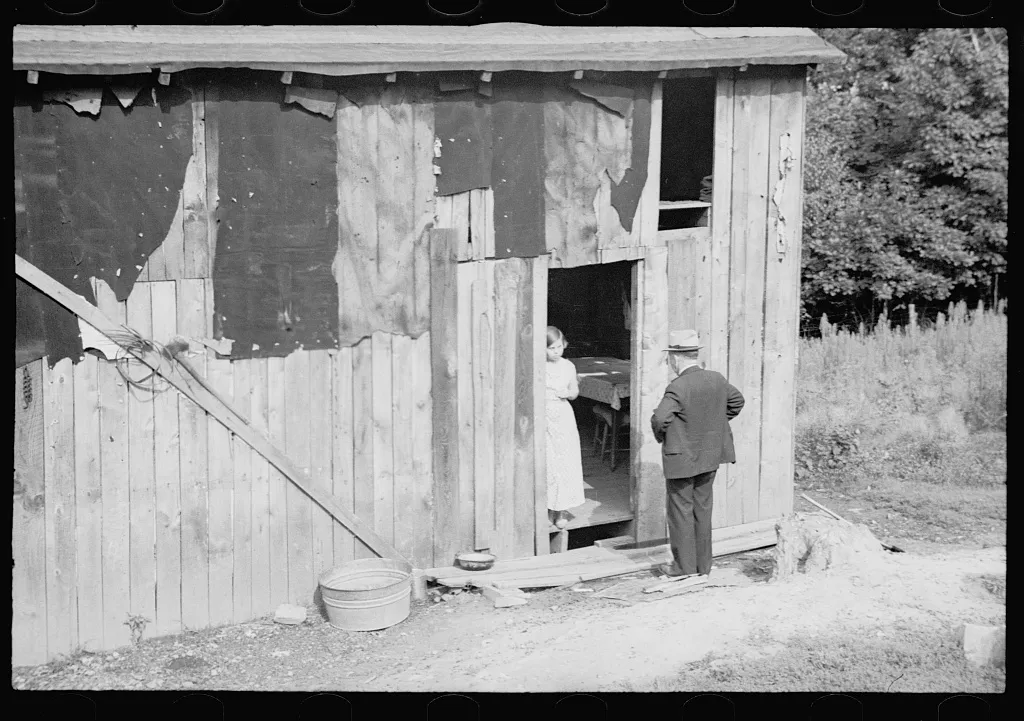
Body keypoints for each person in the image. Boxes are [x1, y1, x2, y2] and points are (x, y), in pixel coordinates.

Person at [651, 330, 745, 578]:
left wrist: (664, 435)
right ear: (694, 354)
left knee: (680, 511)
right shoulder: (716, 379)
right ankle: (703, 567)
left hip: (682, 459)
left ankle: (683, 568)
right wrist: (712, 425)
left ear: (676, 358)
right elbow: (737, 401)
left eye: (671, 357)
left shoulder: (677, 386)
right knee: (702, 510)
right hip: (710, 456)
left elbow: (660, 418)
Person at [545, 325, 586, 529]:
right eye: (551, 348)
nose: (556, 351)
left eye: (559, 347)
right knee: (547, 462)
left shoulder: (568, 366)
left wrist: (567, 393)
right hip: (543, 418)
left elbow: (575, 391)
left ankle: (560, 509)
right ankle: (545, 508)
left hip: (562, 416)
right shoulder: (538, 366)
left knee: (563, 462)